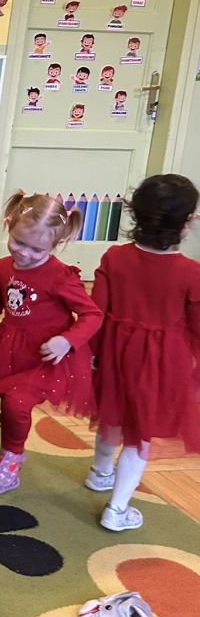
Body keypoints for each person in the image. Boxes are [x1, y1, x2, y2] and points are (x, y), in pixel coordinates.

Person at [87, 175, 200, 531]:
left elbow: (96, 311)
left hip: (114, 354)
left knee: (111, 416)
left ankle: (99, 473)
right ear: (185, 224)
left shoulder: (115, 257)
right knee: (139, 435)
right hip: (160, 365)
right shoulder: (192, 273)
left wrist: (93, 353)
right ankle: (117, 510)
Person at [0, 192, 102, 496]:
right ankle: (10, 450)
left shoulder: (60, 277)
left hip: (47, 356)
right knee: (9, 405)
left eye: (37, 249)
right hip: (10, 350)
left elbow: (92, 314)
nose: (25, 253)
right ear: (9, 225)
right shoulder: (3, 267)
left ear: (56, 244)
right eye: (18, 242)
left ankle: (11, 460)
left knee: (16, 404)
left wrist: (67, 341)